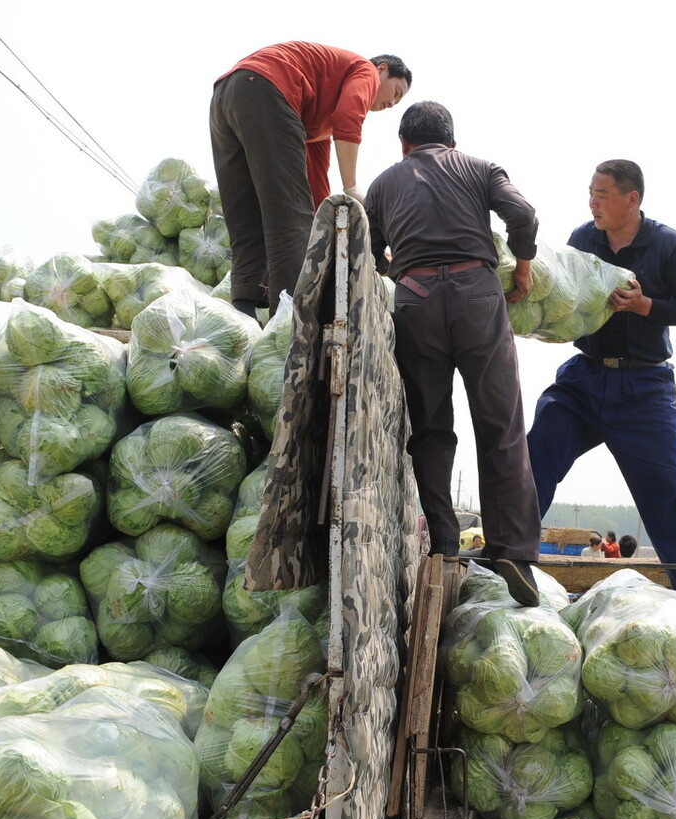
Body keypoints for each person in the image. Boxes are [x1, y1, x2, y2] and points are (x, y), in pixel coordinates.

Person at [365, 101, 542, 607]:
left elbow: (371, 253)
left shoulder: (382, 185)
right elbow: (523, 214)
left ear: (404, 144)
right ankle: (510, 549)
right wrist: (523, 265)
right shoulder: (481, 168)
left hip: (415, 301)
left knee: (431, 428)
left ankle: (444, 540)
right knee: (500, 425)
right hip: (478, 296)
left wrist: (398, 266)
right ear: (452, 141)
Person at [526, 159, 676, 594]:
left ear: (632, 199)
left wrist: (646, 306)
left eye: (602, 194)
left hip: (645, 388)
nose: (593, 203)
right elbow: (563, 294)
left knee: (666, 490)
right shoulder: (582, 240)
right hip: (584, 379)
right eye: (590, 193)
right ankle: (507, 553)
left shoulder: (668, 245)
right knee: (535, 452)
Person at [210, 42, 412, 317]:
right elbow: (348, 118)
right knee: (290, 221)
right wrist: (352, 189)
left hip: (228, 95)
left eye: (397, 103)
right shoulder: (364, 70)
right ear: (382, 69)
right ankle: (287, 323)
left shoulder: (316, 121)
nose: (391, 104)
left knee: (246, 214)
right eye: (396, 92)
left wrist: (329, 220)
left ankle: (243, 310)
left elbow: (315, 182)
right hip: (269, 88)